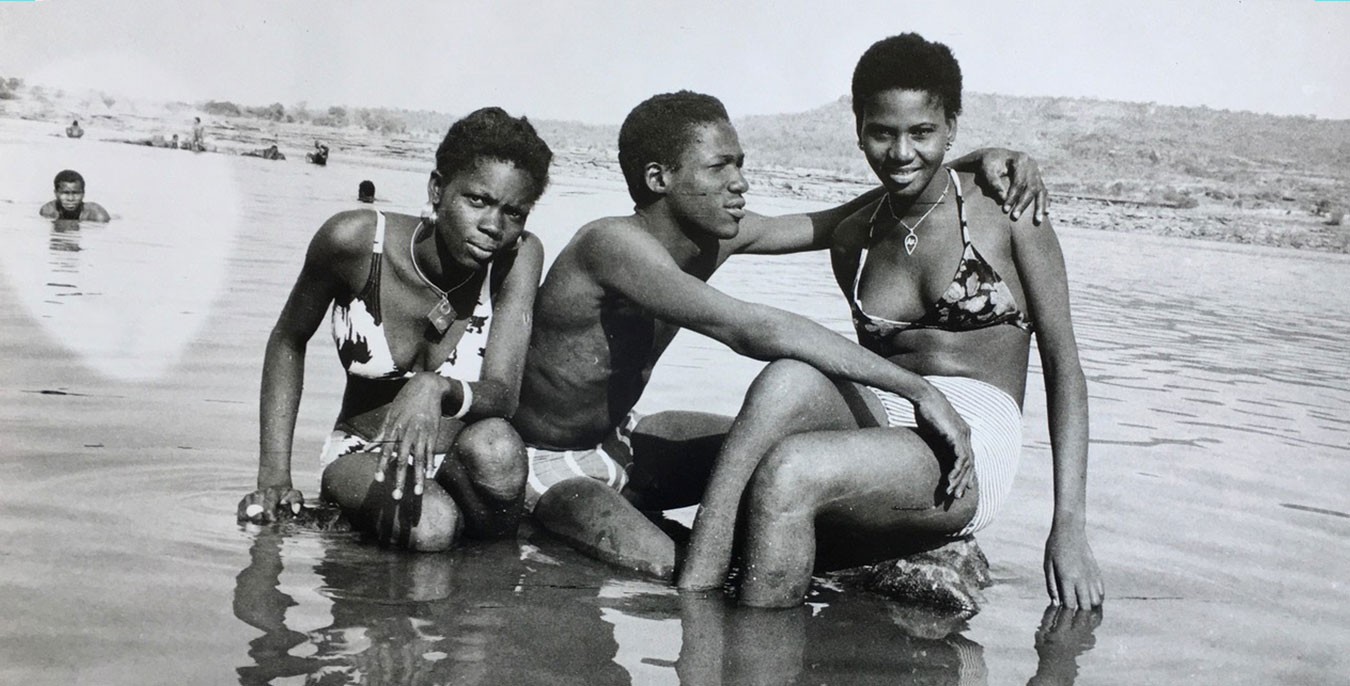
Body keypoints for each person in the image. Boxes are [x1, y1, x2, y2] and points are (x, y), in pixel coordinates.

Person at [512, 90, 1048, 579]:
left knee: (769, 457)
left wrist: (963, 169)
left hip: (622, 444)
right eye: (720, 167)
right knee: (674, 569)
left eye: (739, 165)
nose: (740, 182)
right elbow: (753, 329)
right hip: (544, 462)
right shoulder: (610, 245)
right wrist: (919, 389)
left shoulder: (710, 239)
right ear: (659, 179)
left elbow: (835, 219)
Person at [678, 34, 1105, 609]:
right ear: (858, 131)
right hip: (886, 413)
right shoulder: (856, 230)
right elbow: (741, 231)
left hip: (972, 438)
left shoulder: (1006, 209)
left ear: (951, 127)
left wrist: (1070, 527)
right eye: (883, 132)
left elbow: (1064, 367)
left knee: (789, 472)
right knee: (785, 376)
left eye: (922, 133)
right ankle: (695, 595)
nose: (901, 152)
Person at [236, 107, 551, 552]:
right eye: (477, 200)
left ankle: (488, 592)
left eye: (514, 213)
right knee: (434, 526)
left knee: (499, 448)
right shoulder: (355, 242)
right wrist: (274, 477)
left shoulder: (518, 258)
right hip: (366, 455)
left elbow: (504, 393)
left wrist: (434, 387)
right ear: (437, 189)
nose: (493, 227)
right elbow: (289, 339)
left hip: (463, 465)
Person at [39, 169, 110, 222]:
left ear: (83, 194)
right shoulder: (48, 211)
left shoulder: (97, 215)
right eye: (65, 193)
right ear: (56, 193)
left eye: (76, 193)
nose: (71, 198)